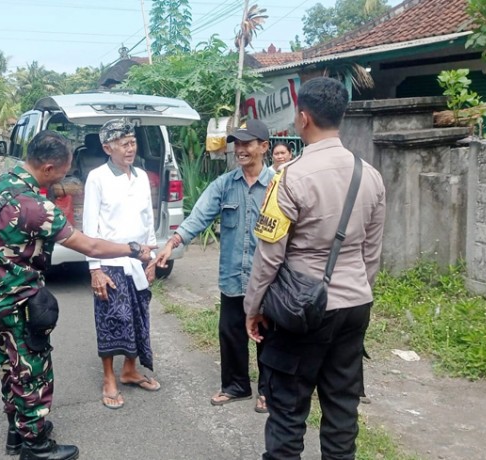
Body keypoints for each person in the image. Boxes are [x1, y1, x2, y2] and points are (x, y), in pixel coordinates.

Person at [0, 130, 155, 460]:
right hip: (16, 302)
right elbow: (90, 245)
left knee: (7, 366)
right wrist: (134, 249)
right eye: (64, 171)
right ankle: (36, 447)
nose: (65, 177)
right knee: (31, 370)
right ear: (49, 167)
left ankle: (16, 432)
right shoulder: (36, 208)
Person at [243, 77, 387, 460]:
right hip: (355, 305)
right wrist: (354, 289)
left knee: (288, 409)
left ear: (303, 118)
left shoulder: (289, 177)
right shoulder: (370, 175)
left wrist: (253, 307)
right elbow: (371, 253)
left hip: (300, 311)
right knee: (342, 408)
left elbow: (270, 255)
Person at [155, 118, 274, 413]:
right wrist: (172, 243)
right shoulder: (224, 184)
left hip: (268, 279)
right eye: (238, 144)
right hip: (233, 276)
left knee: (270, 337)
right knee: (231, 332)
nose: (241, 149)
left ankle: (270, 392)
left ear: (264, 147)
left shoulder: (278, 185)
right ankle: (236, 386)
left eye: (248, 143)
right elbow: (199, 216)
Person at [83, 119, 161, 410]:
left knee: (139, 316)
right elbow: (90, 226)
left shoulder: (140, 176)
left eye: (133, 142)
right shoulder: (98, 178)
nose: (131, 148)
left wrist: (151, 259)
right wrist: (95, 269)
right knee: (111, 320)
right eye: (124, 144)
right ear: (107, 147)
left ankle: (129, 370)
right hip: (110, 261)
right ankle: (109, 378)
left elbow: (147, 219)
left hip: (137, 260)